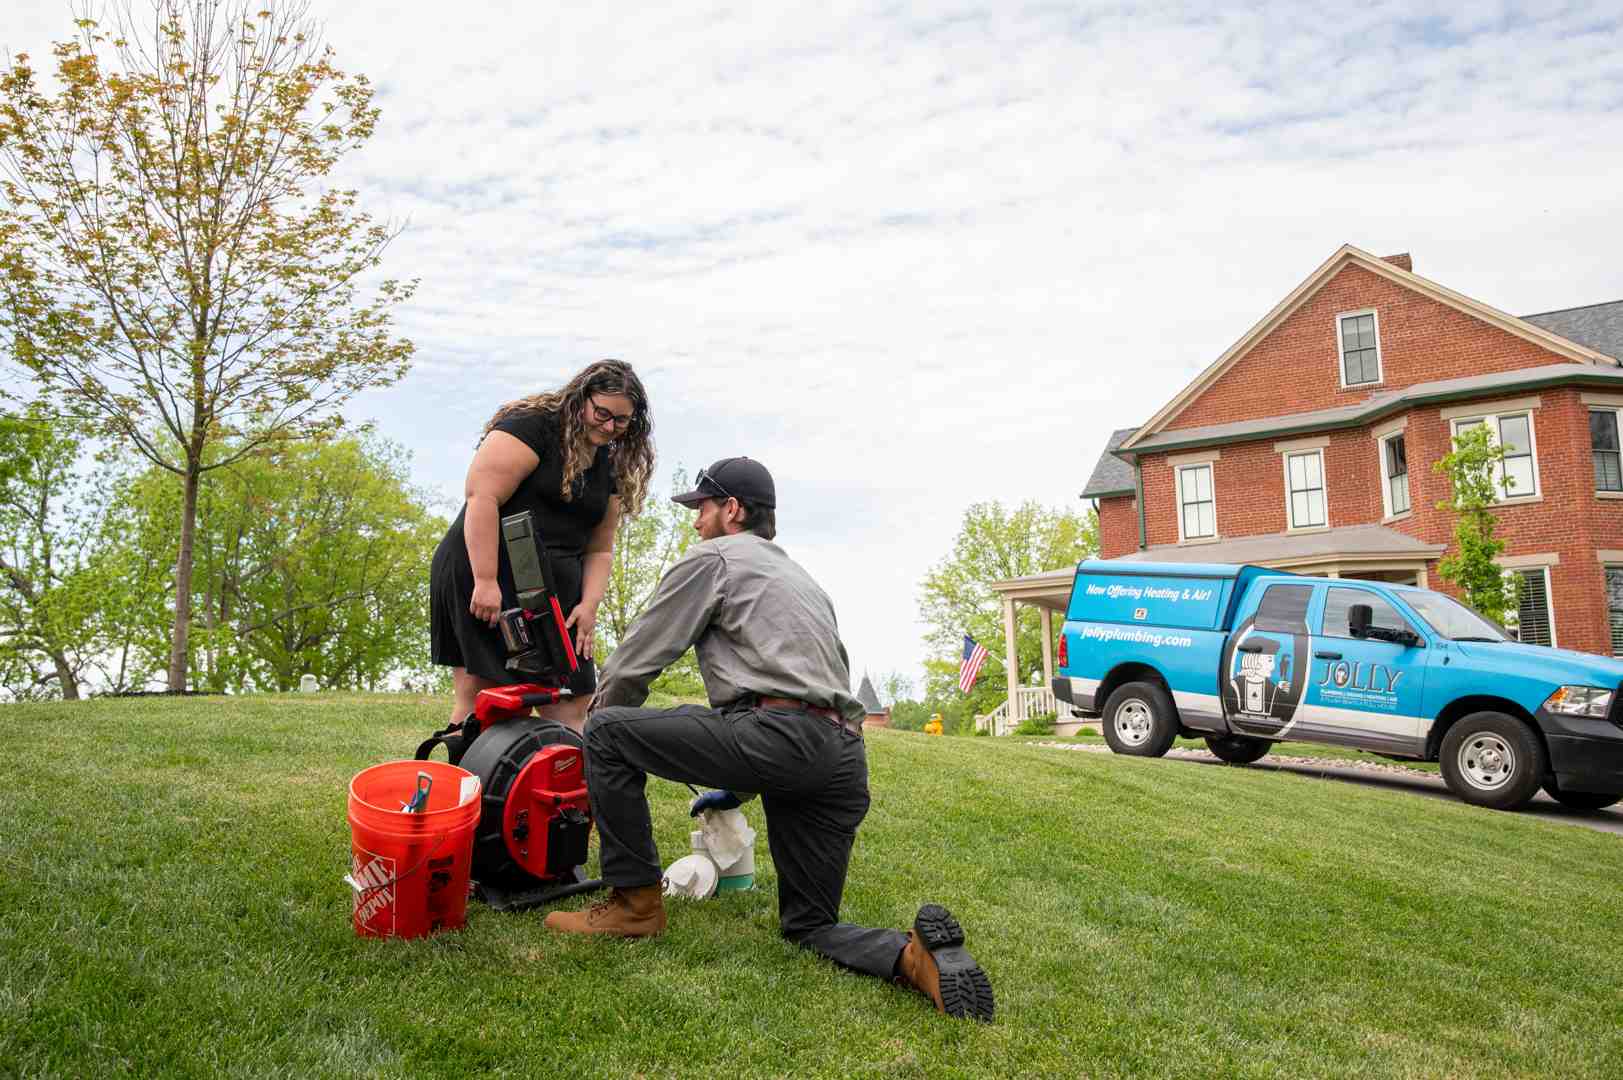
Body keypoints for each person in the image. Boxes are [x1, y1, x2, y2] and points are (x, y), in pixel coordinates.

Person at [544, 456, 994, 1023]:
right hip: (841, 758)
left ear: (732, 509)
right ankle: (911, 959)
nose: (695, 522)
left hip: (777, 738)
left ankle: (634, 905)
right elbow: (809, 695)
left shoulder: (714, 558)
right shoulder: (803, 580)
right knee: (810, 924)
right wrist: (736, 788)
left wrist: (589, 750)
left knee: (609, 730)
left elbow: (636, 661)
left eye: (702, 508)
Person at [429, 359, 654, 734]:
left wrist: (588, 605)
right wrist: (485, 581)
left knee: (574, 698)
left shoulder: (612, 461)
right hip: (486, 569)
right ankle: (468, 792)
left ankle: (566, 792)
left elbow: (600, 548)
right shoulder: (534, 425)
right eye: (602, 412)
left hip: (551, 591)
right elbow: (482, 497)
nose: (610, 425)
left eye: (622, 420)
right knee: (487, 696)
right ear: (581, 398)